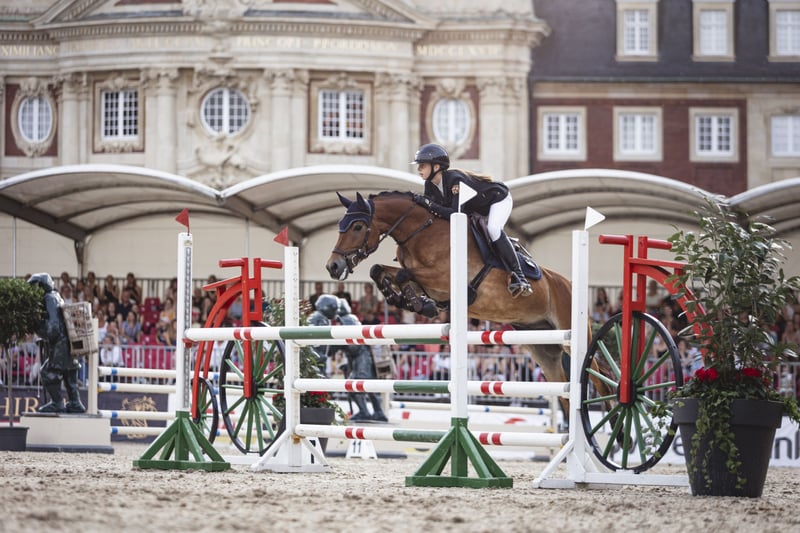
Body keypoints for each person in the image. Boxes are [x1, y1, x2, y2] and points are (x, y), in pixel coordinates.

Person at [410, 143, 532, 298]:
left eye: (422, 165)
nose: (419, 169)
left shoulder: (455, 180)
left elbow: (455, 213)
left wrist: (428, 204)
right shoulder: (430, 185)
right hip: (477, 209)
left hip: (498, 199)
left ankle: (520, 277)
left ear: (436, 167)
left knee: (493, 229)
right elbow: (433, 214)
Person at [27, 273, 86, 413]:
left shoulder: (49, 298)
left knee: (47, 372)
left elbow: (53, 328)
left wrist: (37, 326)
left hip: (60, 344)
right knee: (68, 373)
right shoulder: (56, 296)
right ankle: (75, 402)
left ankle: (57, 403)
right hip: (67, 341)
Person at [336, 300, 388, 422]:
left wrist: (339, 345)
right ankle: (376, 411)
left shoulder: (347, 320)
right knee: (367, 386)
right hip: (360, 358)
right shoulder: (349, 320)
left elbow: (354, 346)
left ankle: (368, 411)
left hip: (362, 359)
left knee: (358, 385)